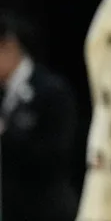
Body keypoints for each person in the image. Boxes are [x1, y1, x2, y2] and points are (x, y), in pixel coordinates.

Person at [0, 12, 78, 221]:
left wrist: (6, 133)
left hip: (46, 210)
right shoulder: (3, 95)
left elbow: (57, 156)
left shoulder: (52, 91)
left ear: (8, 46)